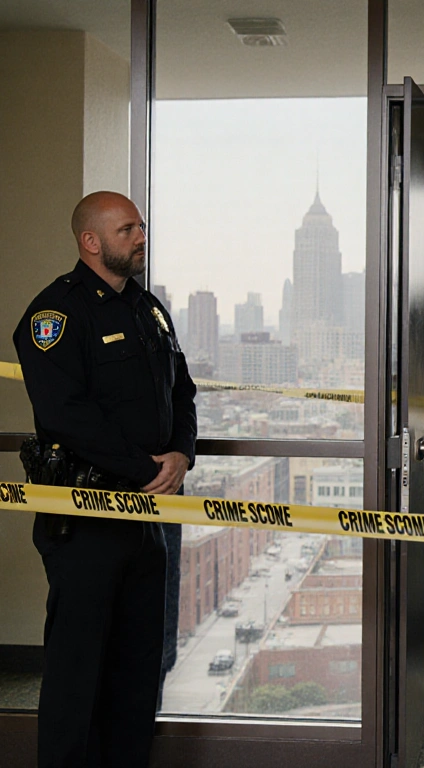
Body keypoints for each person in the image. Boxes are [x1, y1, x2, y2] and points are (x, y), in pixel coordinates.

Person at [14, 191, 197, 767]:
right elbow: (68, 415)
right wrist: (147, 469)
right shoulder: (55, 316)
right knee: (77, 668)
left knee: (140, 664)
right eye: (126, 229)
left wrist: (181, 456)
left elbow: (182, 392)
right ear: (90, 241)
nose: (140, 236)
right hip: (87, 516)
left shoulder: (148, 310)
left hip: (150, 517)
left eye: (141, 226)